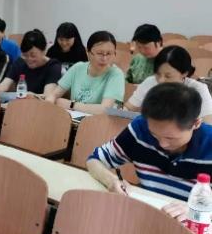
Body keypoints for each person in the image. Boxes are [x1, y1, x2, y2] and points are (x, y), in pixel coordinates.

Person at [87, 84, 212, 224]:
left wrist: (197, 210)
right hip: (145, 218)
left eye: (171, 138)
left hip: (193, 227)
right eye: (154, 135)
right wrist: (111, 181)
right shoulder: (140, 128)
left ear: (196, 123)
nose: (162, 144)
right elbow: (94, 160)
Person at [125, 46, 212, 124]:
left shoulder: (198, 89)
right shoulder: (150, 82)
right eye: (158, 74)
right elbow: (128, 108)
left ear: (184, 73)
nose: (161, 80)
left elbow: (208, 125)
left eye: (168, 76)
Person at [45, 30, 125, 114]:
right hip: (72, 118)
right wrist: (50, 101)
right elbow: (54, 95)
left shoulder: (116, 74)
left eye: (109, 54)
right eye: (99, 53)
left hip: (97, 121)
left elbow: (105, 109)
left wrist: (71, 105)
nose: (104, 58)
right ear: (88, 53)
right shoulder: (78, 68)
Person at [0, 29, 62, 100]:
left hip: (40, 105)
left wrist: (32, 96)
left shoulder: (53, 66)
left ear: (44, 51)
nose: (29, 59)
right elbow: (4, 86)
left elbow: (47, 96)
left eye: (33, 55)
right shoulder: (20, 62)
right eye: (25, 55)